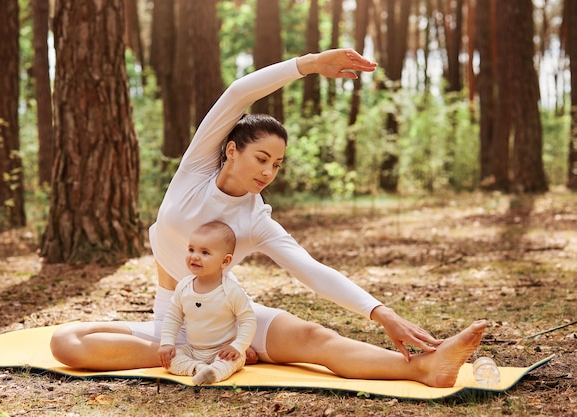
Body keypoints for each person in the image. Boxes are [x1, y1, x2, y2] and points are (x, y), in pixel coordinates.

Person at [50, 48, 486, 388]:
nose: (267, 172)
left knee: (316, 339)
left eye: (277, 164)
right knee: (64, 342)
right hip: (175, 323)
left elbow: (311, 270)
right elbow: (240, 92)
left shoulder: (257, 221)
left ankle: (424, 369)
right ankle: (200, 355)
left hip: (229, 318)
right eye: (261, 157)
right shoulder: (196, 169)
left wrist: (381, 312)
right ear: (232, 149)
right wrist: (311, 64)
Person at [158, 221, 256, 385]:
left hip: (223, 350)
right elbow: (173, 317)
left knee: (235, 360)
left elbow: (248, 320)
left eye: (204, 252)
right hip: (193, 350)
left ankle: (215, 372)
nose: (194, 256)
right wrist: (167, 343)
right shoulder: (184, 286)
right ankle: (198, 369)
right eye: (191, 249)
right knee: (172, 359)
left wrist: (238, 346)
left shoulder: (230, 290)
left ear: (225, 261)